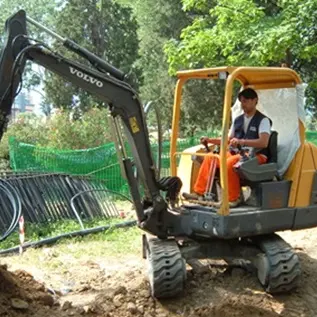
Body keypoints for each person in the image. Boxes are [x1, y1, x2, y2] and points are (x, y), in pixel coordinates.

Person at [183, 88, 272, 207]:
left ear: (255, 100)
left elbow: (263, 142)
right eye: (241, 101)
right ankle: (199, 192)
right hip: (240, 154)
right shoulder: (238, 120)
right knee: (211, 157)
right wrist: (210, 140)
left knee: (229, 163)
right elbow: (228, 140)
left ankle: (233, 199)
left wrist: (242, 141)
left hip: (257, 155)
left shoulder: (263, 120)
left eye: (245, 101)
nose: (242, 104)